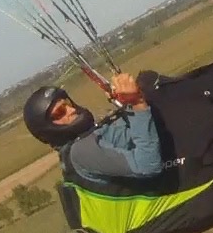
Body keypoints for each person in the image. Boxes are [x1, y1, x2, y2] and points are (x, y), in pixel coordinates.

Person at [22, 73, 168, 187]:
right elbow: (148, 166)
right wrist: (137, 102)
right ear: (48, 129)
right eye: (60, 112)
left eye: (67, 104)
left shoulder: (92, 136)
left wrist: (128, 103)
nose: (71, 110)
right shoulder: (80, 152)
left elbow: (130, 137)